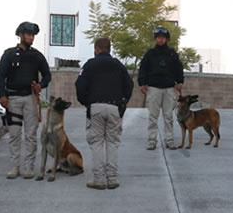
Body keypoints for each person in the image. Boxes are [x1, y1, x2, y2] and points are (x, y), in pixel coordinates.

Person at [75, 37, 134, 189]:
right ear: (110, 49)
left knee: (97, 143)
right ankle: (113, 178)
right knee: (113, 142)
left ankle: (99, 179)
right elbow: (129, 85)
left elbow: (80, 86)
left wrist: (86, 102)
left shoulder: (90, 65)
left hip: (96, 107)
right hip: (114, 107)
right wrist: (123, 102)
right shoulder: (118, 65)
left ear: (96, 49)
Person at [0, 21, 51, 179]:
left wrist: (41, 85)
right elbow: (1, 76)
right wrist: (2, 95)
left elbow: (47, 75)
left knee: (31, 134)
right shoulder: (9, 54)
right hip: (12, 98)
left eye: (33, 35)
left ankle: (29, 167)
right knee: (14, 134)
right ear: (20, 35)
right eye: (28, 34)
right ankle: (15, 166)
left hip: (30, 98)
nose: (31, 37)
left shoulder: (36, 56)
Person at [138, 26, 184, 150]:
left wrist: (180, 81)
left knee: (168, 116)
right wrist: (142, 83)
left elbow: (179, 68)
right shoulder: (150, 54)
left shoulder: (172, 54)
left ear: (166, 39)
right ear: (155, 39)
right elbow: (143, 69)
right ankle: (152, 140)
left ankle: (169, 140)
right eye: (158, 37)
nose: (160, 40)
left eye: (163, 38)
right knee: (153, 116)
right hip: (153, 88)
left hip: (169, 88)